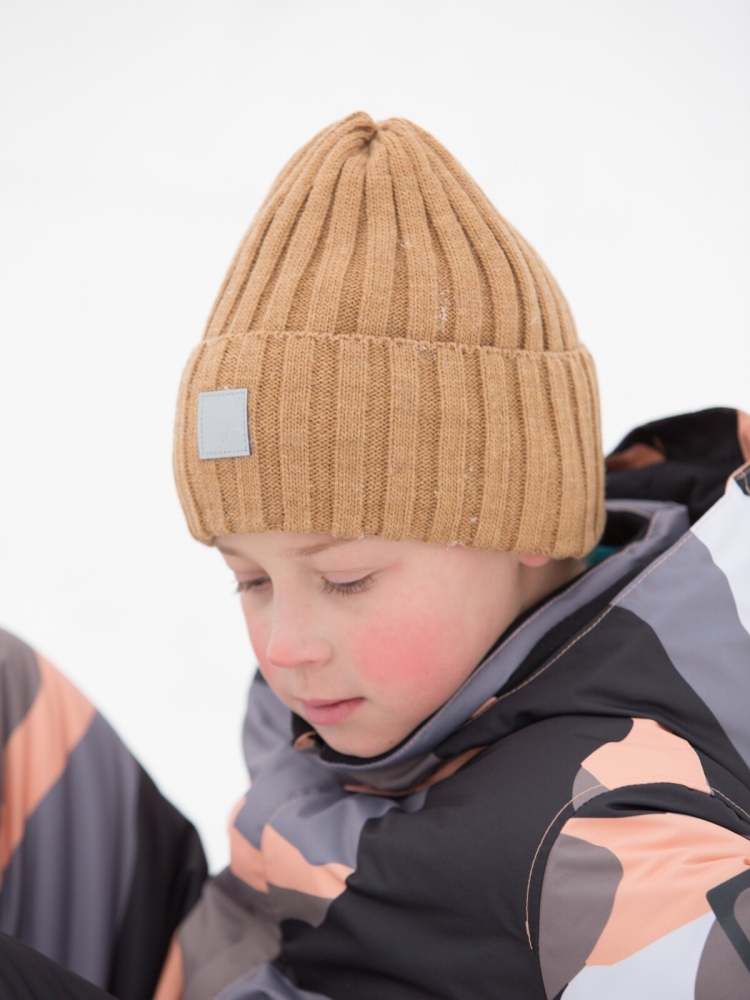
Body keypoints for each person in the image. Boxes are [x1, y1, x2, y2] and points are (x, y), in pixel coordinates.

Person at [2, 112, 749, 999]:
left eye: (344, 579)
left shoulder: (602, 835)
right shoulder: (385, 690)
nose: (285, 645)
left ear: (526, 522)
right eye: (250, 578)